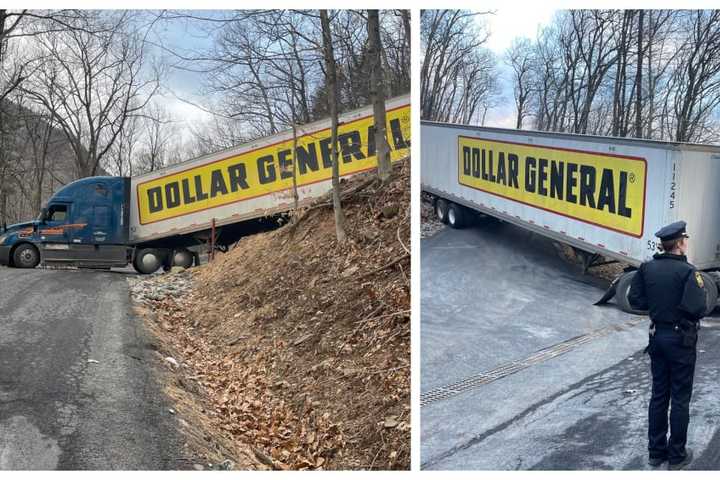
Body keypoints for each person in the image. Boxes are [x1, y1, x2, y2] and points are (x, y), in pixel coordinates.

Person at [628, 220, 707, 470]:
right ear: (680, 244)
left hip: (657, 337)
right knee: (680, 398)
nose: (686, 244)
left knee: (659, 394)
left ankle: (655, 452)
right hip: (681, 340)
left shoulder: (646, 268)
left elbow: (635, 301)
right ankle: (676, 456)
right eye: (685, 240)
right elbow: (698, 308)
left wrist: (658, 308)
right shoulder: (688, 272)